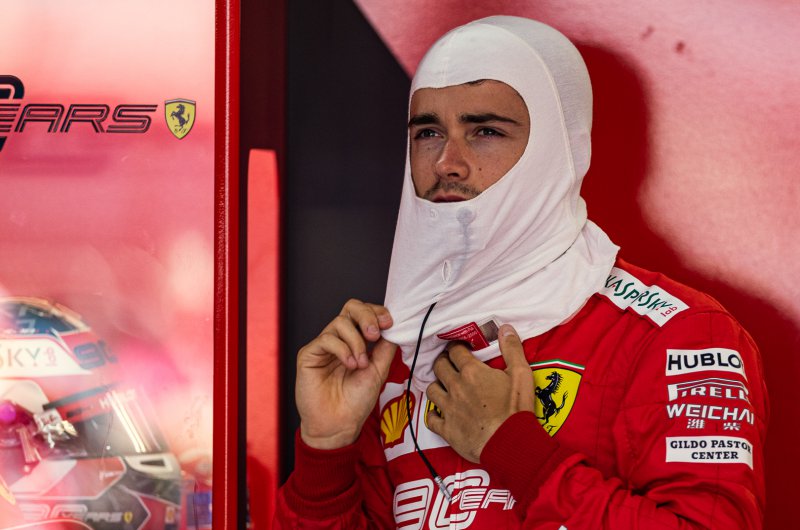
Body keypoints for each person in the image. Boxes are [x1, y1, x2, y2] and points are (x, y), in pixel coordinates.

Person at [273, 15, 767, 529]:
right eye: (428, 132)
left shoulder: (679, 337)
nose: (446, 162)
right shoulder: (391, 353)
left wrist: (513, 449)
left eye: (485, 131)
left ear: (559, 146)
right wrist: (326, 450)